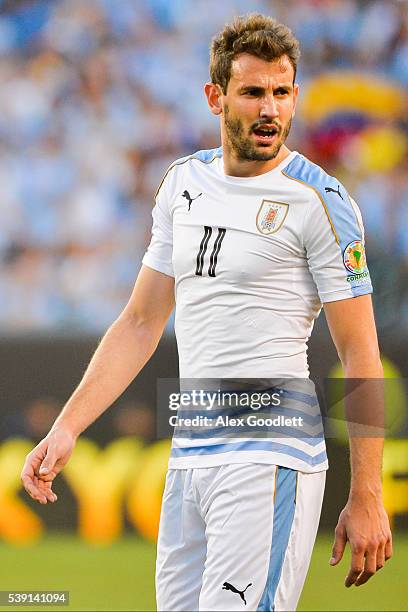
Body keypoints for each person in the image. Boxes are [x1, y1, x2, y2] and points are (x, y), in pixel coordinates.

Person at [21, 13, 392, 612]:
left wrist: (368, 492)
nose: (269, 108)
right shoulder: (181, 183)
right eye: (252, 92)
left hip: (271, 456)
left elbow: (361, 351)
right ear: (215, 98)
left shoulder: (320, 202)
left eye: (281, 92)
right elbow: (142, 320)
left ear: (295, 97)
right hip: (192, 452)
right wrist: (67, 425)